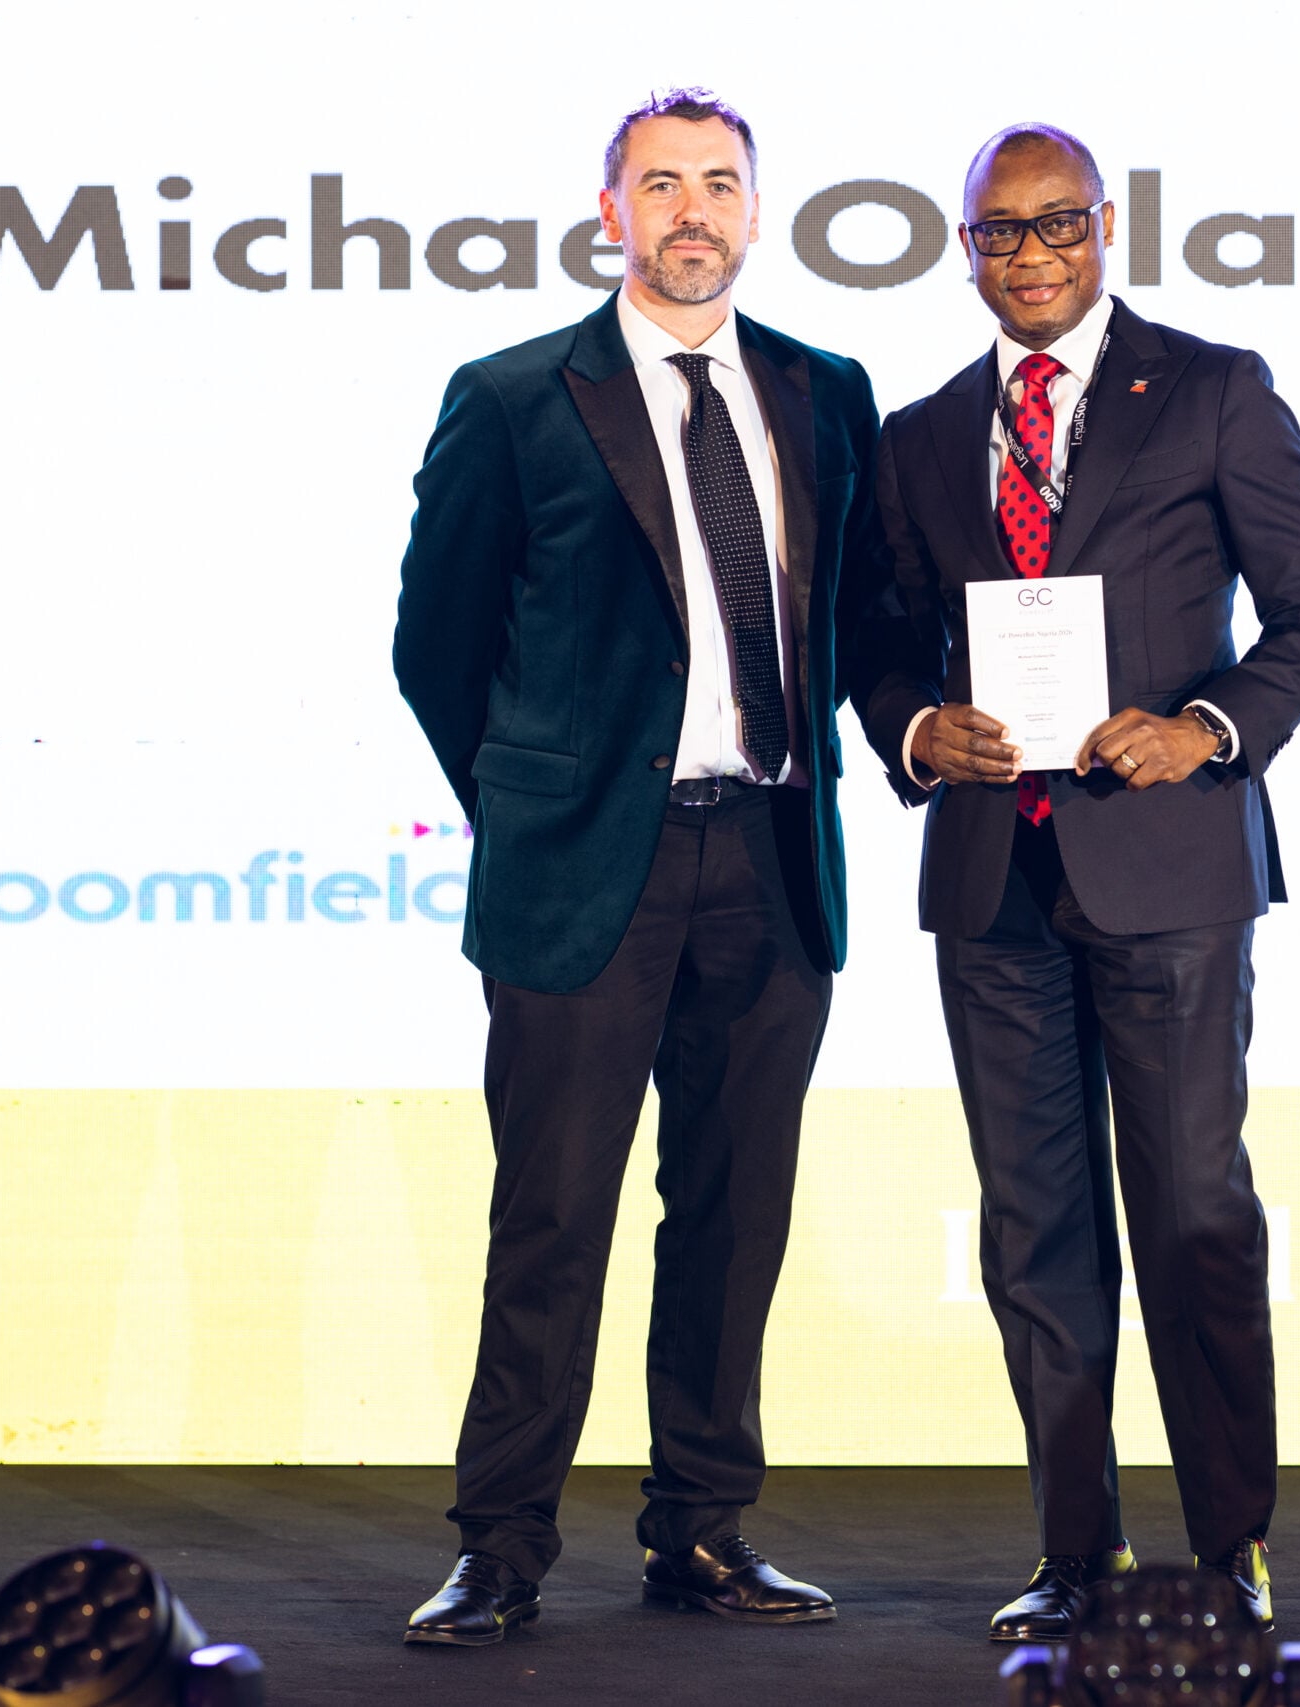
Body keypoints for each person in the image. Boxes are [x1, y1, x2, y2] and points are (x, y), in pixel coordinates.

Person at [851, 122, 1300, 1642]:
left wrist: (1206, 727)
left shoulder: (1211, 391)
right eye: (1000, 232)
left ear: (1106, 226)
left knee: (1194, 1214)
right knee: (1034, 1233)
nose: (1031, 254)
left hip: (1170, 870)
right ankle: (1076, 1553)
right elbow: (881, 643)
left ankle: (1228, 1548)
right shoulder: (922, 436)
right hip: (992, 882)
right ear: (967, 251)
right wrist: (916, 726)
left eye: (1057, 222)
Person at [392, 88, 886, 1645]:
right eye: (661, 184)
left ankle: (704, 1531)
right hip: (583, 874)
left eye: (719, 184)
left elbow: (859, 617)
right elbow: (436, 646)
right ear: (611, 212)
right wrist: (542, 803)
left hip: (772, 858)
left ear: (757, 212)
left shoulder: (826, 391)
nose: (693, 211)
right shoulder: (513, 395)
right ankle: (500, 1546)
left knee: (734, 1222)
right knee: (551, 1222)